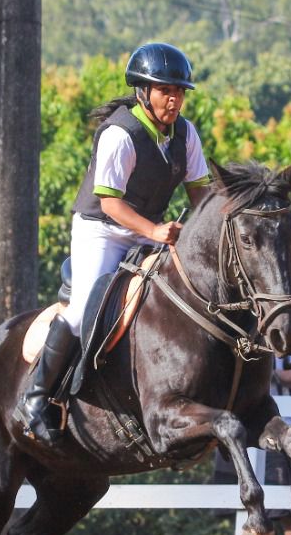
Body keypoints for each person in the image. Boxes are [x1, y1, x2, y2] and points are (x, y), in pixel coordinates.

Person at [13, 42, 211, 444]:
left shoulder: (185, 133)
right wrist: (155, 232)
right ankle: (35, 398)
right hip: (102, 229)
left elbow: (201, 195)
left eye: (179, 92)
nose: (174, 99)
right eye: (165, 91)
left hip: (150, 229)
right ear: (143, 92)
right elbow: (110, 203)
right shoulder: (121, 133)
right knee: (84, 307)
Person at [211, 339, 291, 535]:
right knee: (241, 507)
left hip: (274, 430)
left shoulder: (282, 332)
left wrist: (270, 374)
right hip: (232, 429)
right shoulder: (230, 327)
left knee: (285, 513)